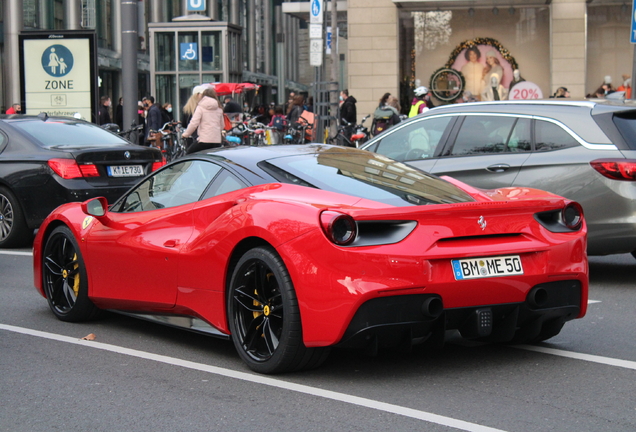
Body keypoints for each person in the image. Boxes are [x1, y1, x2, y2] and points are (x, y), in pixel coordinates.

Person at [182, 86, 224, 154]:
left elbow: (194, 123)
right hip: (217, 141)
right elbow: (222, 125)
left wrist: (186, 134)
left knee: (189, 154)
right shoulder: (219, 108)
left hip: (204, 140)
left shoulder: (200, 107)